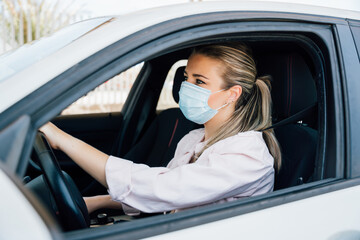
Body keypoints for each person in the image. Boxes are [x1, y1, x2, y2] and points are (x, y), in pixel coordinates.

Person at [40, 43, 281, 215]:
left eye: (199, 81)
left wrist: (62, 140)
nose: (186, 87)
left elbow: (163, 188)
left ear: (232, 94)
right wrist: (96, 202)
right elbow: (162, 197)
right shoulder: (194, 138)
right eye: (186, 77)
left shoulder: (248, 155)